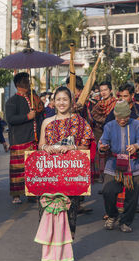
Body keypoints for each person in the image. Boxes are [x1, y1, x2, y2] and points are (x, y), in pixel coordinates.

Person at [38, 86, 94, 238]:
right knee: (48, 208)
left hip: (71, 174)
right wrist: (46, 147)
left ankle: (65, 245)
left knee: (69, 210)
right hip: (50, 172)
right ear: (53, 102)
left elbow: (87, 146)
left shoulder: (80, 121)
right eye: (58, 100)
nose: (61, 103)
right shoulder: (46, 122)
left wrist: (72, 147)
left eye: (65, 99)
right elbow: (40, 145)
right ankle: (49, 245)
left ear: (71, 102)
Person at [99, 101, 139, 232]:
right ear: (115, 116)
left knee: (132, 195)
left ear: (129, 115)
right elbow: (103, 141)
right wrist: (103, 147)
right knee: (107, 191)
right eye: (119, 118)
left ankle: (126, 221)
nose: (122, 120)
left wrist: (136, 146)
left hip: (133, 165)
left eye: (125, 117)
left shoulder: (136, 124)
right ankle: (112, 215)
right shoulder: (109, 126)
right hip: (113, 164)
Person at [6, 72, 44, 204]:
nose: (27, 83)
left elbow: (41, 110)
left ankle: (31, 193)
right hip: (19, 139)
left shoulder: (32, 98)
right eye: (24, 81)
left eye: (28, 80)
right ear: (18, 84)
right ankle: (16, 195)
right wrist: (27, 116)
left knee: (32, 168)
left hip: (32, 138)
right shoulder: (12, 101)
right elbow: (10, 119)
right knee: (18, 170)